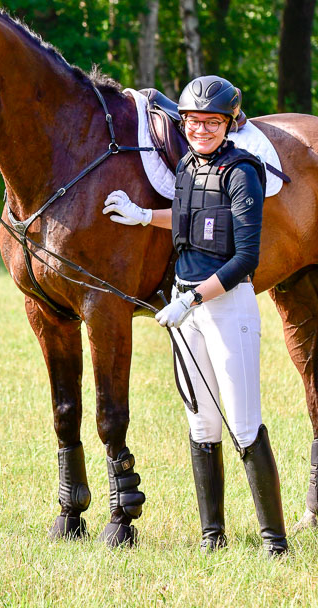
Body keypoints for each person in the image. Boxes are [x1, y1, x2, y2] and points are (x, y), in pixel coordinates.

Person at [102, 75, 288, 556]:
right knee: (201, 426)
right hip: (186, 307)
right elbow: (184, 217)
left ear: (229, 124)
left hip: (226, 306)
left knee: (244, 425)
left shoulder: (242, 171)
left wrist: (190, 299)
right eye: (192, 121)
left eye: (211, 122)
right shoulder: (186, 163)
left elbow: (245, 257)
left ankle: (275, 543)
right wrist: (144, 215)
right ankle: (212, 538)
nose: (201, 129)